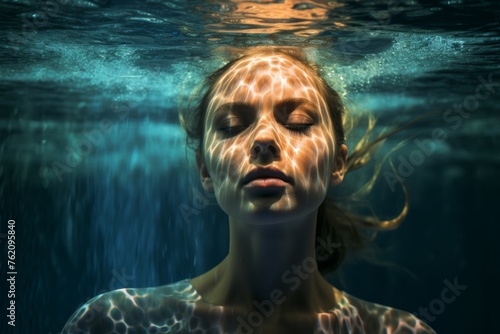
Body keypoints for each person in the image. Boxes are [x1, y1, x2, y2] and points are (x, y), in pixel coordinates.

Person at [62, 47, 436, 333]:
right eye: (230, 125)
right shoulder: (113, 323)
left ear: (336, 163)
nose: (263, 139)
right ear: (205, 169)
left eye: (298, 122)